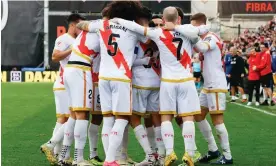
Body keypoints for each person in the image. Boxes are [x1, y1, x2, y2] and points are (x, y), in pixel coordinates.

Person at [111, 6, 204, 166]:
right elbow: (201, 31)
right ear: (178, 18)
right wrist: (177, 27)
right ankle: (189, 153)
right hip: (186, 80)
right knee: (187, 117)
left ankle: (168, 153)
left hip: (167, 82)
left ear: (163, 17)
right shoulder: (187, 30)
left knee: (165, 117)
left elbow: (136, 28)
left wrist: (117, 20)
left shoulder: (157, 33)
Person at [77, 2, 156, 166]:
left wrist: (89, 25)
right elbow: (149, 38)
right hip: (121, 77)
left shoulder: (102, 25)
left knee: (107, 119)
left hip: (104, 77)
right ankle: (110, 160)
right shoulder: (133, 27)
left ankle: (109, 158)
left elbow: (80, 25)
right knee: (121, 119)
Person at [174, 12, 233, 165]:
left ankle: (227, 156)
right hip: (208, 86)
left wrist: (189, 35)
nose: (192, 30)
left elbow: (202, 48)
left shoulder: (211, 37)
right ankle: (213, 149)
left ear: (200, 26)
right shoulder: (203, 37)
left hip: (216, 84)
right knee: (198, 115)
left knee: (217, 121)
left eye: (194, 27)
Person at [40, 13, 85, 165]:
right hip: (64, 84)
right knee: (71, 118)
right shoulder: (64, 39)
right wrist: (71, 50)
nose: (81, 29)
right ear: (72, 25)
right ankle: (52, 147)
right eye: (79, 26)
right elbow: (55, 56)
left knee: (64, 119)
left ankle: (58, 154)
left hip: (67, 84)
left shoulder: (76, 39)